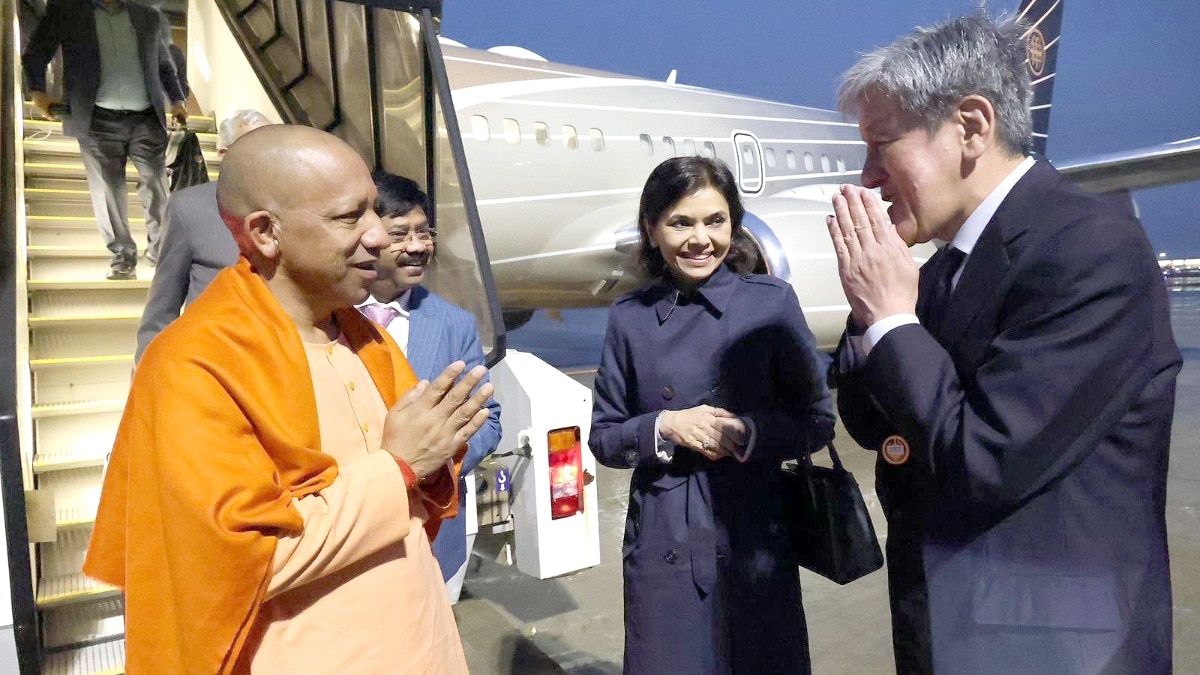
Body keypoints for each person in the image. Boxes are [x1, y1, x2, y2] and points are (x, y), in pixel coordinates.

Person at [826, 13, 1180, 675]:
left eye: (882, 146)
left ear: (970, 127)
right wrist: (869, 312)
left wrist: (891, 318)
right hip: (945, 627)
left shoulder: (1089, 249)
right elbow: (870, 424)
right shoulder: (938, 272)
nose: (866, 176)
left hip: (1056, 647)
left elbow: (985, 459)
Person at [83, 125, 491, 674]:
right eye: (350, 217)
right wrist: (399, 469)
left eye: (374, 210)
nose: (378, 235)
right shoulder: (193, 364)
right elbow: (239, 557)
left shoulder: (365, 340)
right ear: (265, 232)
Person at [590, 156, 835, 675]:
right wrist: (665, 426)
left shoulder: (770, 304)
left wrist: (749, 432)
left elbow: (817, 419)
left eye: (715, 221)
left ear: (734, 225)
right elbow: (605, 437)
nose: (700, 239)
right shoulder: (629, 319)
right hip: (665, 535)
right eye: (681, 222)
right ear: (652, 231)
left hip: (753, 529)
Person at [358, 171, 502, 603]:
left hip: (434, 535)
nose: (419, 247)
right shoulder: (323, 318)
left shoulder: (453, 323)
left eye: (425, 232)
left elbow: (488, 423)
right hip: (355, 531)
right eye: (401, 234)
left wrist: (432, 465)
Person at [22, 0, 187, 280]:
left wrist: (178, 100)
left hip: (146, 118)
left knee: (157, 186)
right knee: (108, 190)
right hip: (96, 120)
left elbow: (163, 64)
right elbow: (36, 53)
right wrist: (37, 93)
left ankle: (160, 252)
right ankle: (123, 256)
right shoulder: (69, 11)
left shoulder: (147, 15)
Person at [135, 109, 273, 361]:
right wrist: (150, 373)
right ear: (224, 154)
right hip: (215, 361)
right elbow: (161, 309)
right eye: (251, 149)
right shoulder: (188, 208)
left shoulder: (295, 206)